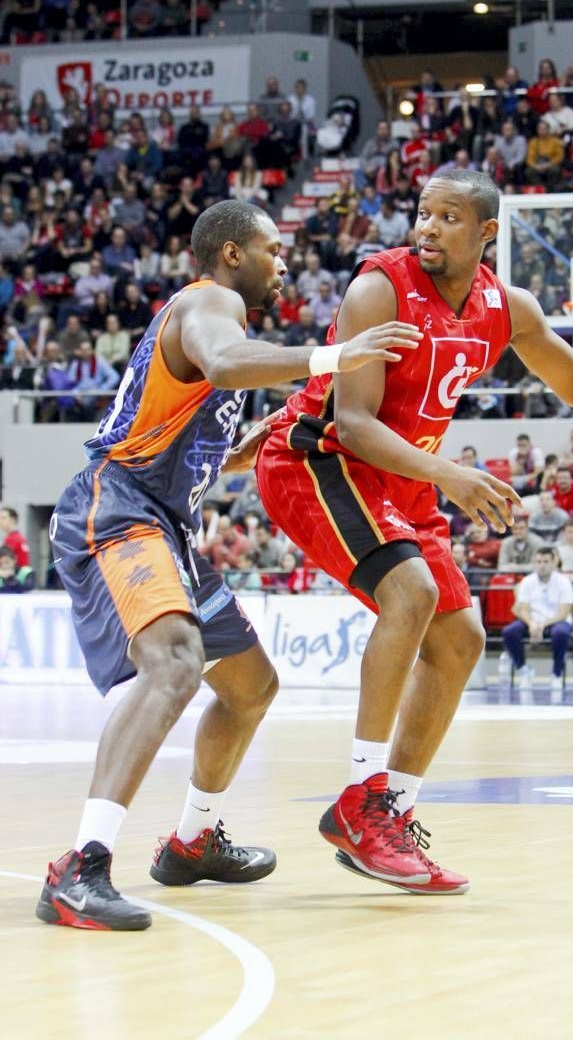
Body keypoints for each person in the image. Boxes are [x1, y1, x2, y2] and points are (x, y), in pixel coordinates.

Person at [254, 169, 573, 896]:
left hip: (403, 476)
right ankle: (360, 798)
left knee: (461, 641)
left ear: (486, 233)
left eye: (448, 217)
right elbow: (355, 422)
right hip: (319, 458)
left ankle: (388, 811)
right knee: (411, 594)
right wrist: (452, 475)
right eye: (423, 213)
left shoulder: (505, 306)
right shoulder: (378, 289)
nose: (427, 227)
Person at [36, 200, 422, 932]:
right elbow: (218, 360)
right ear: (233, 255)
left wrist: (233, 450)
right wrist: (334, 354)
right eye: (274, 250)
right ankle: (79, 867)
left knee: (249, 686)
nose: (286, 263)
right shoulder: (210, 301)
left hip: (166, 523)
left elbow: (196, 397)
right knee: (176, 664)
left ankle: (192, 840)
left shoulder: (225, 326)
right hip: (116, 505)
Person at [500, 547, 573, 691]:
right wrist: (532, 624)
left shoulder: (564, 582)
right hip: (532, 621)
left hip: (556, 621)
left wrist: (541, 625)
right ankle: (523, 670)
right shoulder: (527, 582)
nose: (542, 565)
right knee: (509, 632)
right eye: (539, 561)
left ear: (554, 562)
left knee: (561, 633)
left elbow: (564, 613)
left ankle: (556, 673)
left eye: (546, 561)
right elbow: (523, 608)